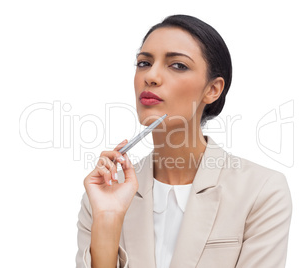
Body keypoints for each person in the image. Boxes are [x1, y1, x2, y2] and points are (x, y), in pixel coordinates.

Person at [76, 14, 292, 268]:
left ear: (212, 89)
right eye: (144, 63)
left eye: (177, 65)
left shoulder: (261, 190)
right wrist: (107, 221)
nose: (151, 76)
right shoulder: (103, 195)